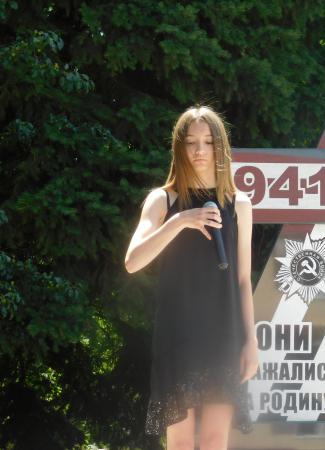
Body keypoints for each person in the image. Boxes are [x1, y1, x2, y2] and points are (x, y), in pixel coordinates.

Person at [124, 105, 258, 450]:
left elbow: (243, 280)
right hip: (178, 333)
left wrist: (251, 342)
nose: (200, 150)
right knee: (181, 442)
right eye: (191, 142)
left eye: (208, 142)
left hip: (224, 333)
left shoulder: (239, 204)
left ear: (220, 147)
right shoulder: (162, 200)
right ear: (179, 147)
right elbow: (132, 262)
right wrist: (180, 221)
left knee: (214, 440)